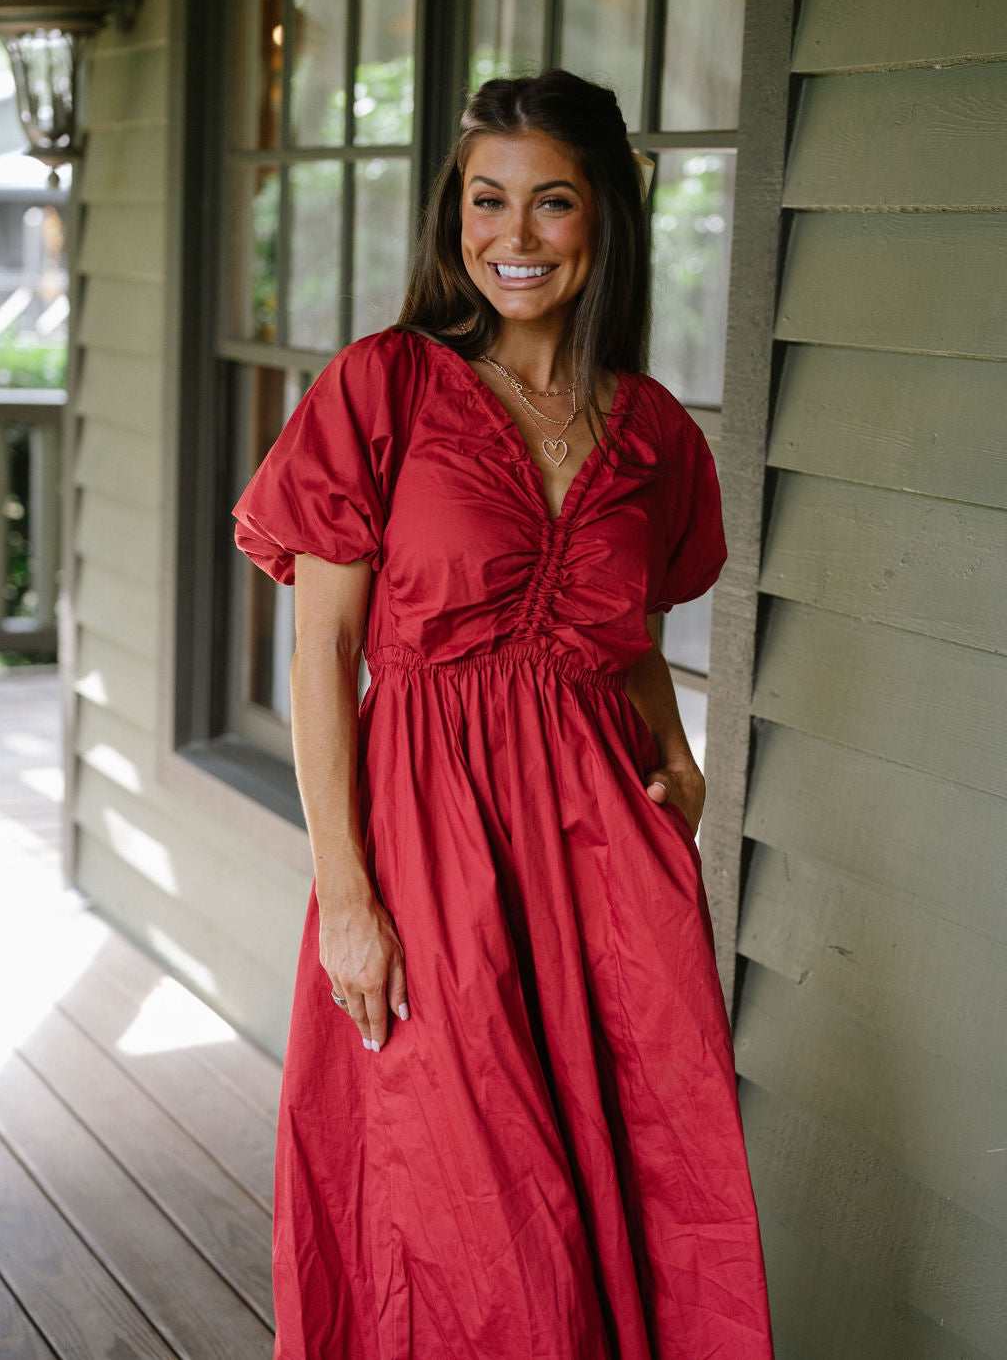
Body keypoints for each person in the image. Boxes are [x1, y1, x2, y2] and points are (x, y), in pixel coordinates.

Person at [233, 69, 773, 1360]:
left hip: (604, 876)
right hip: (428, 853)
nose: (513, 238)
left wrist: (682, 761)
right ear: (453, 217)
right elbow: (326, 650)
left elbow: (621, 632)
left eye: (551, 204)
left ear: (605, 222)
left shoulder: (650, 434)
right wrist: (348, 896)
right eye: (487, 202)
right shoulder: (387, 391)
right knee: (472, 1230)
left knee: (629, 1204)